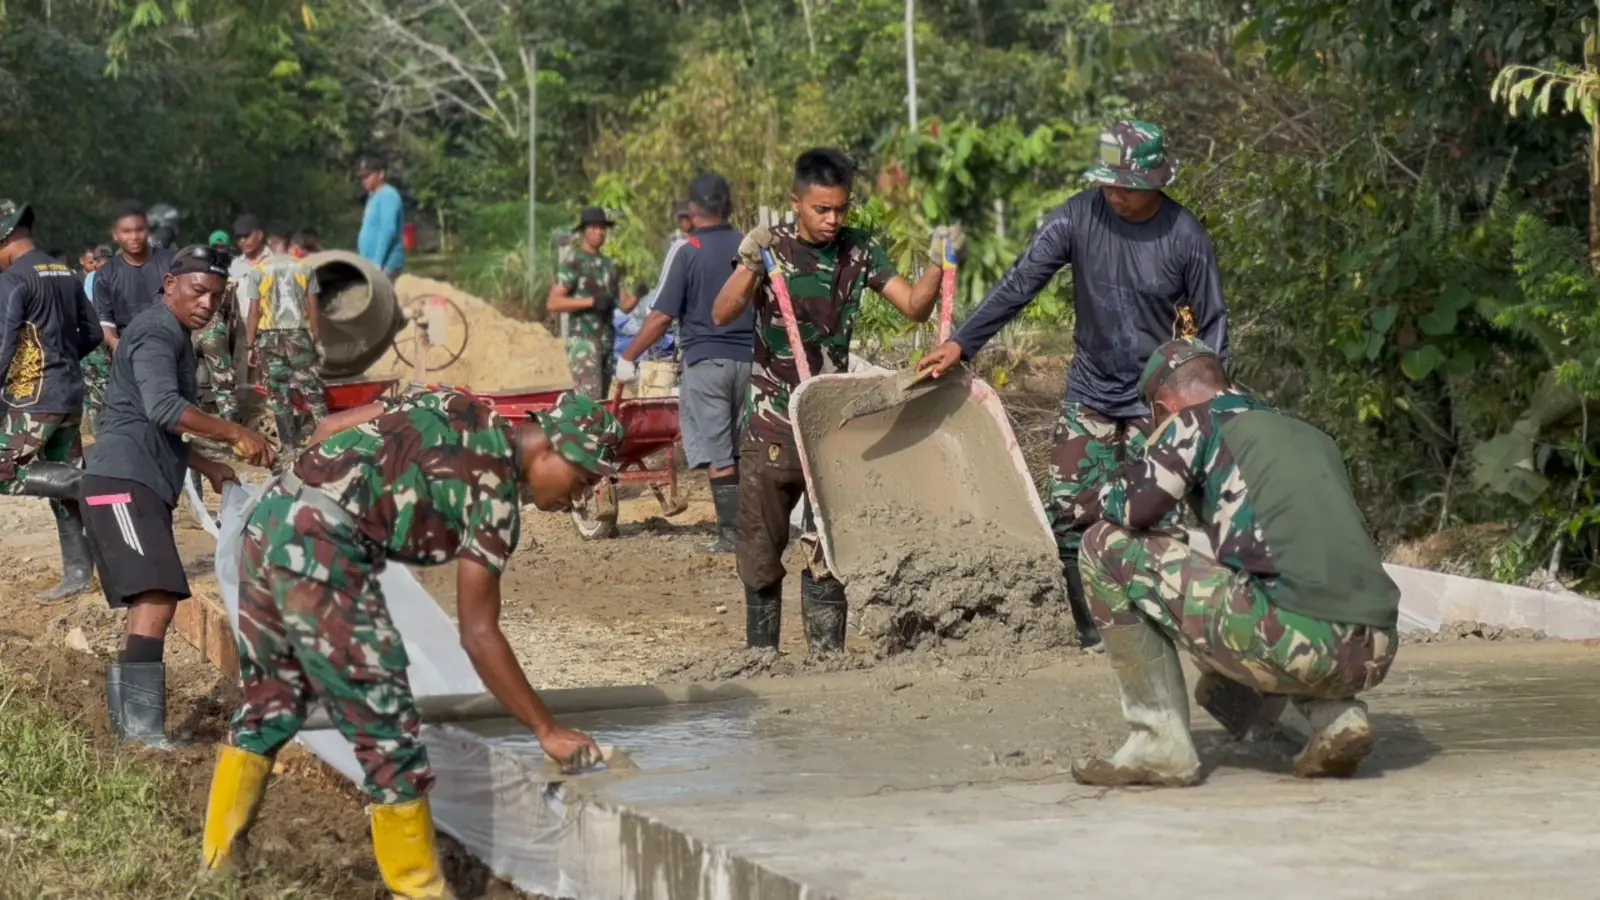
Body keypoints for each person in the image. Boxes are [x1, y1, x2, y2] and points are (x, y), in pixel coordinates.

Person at [200, 390, 622, 896]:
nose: (574, 500)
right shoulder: (494, 498)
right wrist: (545, 729)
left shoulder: (456, 401)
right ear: (551, 449)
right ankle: (420, 891)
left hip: (272, 518)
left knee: (274, 702)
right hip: (318, 551)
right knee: (389, 736)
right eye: (580, 482)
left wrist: (340, 492)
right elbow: (479, 634)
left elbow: (329, 428)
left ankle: (218, 864)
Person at [919, 119, 1229, 651]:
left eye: (1124, 187)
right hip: (1091, 389)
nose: (1112, 195)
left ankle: (1161, 632)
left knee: (1157, 517)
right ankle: (1091, 633)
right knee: (1070, 510)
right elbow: (1022, 282)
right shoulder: (1079, 216)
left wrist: (1209, 412)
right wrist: (964, 342)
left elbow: (1214, 327)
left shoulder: (1184, 236)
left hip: (1157, 403)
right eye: (1105, 183)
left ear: (1154, 183)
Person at [1071, 340, 1399, 787]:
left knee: (1103, 544)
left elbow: (1133, 512)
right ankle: (1335, 715)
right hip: (1375, 649)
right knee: (1238, 661)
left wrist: (1097, 493)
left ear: (1165, 408)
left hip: (1295, 638)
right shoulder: (1308, 434)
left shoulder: (1193, 422)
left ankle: (1157, 743)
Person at [711, 148, 955, 654]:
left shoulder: (858, 250)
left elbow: (913, 307)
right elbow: (722, 313)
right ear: (795, 203)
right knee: (760, 551)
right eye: (821, 210)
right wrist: (751, 262)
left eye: (841, 209)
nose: (832, 220)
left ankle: (827, 661)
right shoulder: (771, 246)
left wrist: (937, 262)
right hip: (773, 424)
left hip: (830, 426)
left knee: (829, 546)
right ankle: (764, 661)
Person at [83, 245, 275, 748]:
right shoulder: (155, 331)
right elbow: (165, 408)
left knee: (151, 599)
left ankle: (134, 733)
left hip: (136, 478)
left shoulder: (173, 335)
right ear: (170, 284)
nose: (208, 305)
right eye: (198, 292)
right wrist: (235, 433)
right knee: (156, 594)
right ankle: (143, 734)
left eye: (216, 296)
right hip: (121, 482)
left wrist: (208, 465)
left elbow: (151, 422)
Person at [618, 173, 751, 554]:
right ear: (728, 206)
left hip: (706, 362)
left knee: (720, 453)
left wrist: (628, 356)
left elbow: (660, 317)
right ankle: (749, 529)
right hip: (749, 362)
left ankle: (730, 537)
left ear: (692, 210)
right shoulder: (749, 247)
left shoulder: (687, 250)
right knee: (743, 448)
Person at [0, 201, 104, 602]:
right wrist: (61, 362)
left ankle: (90, 483)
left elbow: (4, 346)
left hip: (32, 397)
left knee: (8, 472)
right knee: (59, 478)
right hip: (69, 392)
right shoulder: (63, 271)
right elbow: (92, 332)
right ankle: (79, 574)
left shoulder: (14, 280)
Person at [241, 223, 325, 465]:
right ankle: (326, 441)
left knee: (279, 395)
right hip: (298, 335)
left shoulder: (258, 271)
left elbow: (254, 312)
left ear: (269, 242)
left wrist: (250, 345)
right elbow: (313, 307)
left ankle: (289, 448)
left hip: (269, 339)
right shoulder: (304, 269)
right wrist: (315, 336)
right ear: (291, 244)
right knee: (313, 392)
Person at [90, 204, 176, 428]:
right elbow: (106, 324)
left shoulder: (171, 262)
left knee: (171, 412)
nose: (134, 236)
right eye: (127, 232)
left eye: (139, 230)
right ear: (115, 235)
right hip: (128, 347)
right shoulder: (105, 275)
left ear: (148, 230)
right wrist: (120, 347)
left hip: (170, 343)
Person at [548, 207, 637, 399]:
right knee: (590, 399)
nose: (600, 232)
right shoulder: (575, 261)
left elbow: (625, 304)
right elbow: (554, 303)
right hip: (583, 340)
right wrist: (591, 302)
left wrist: (639, 293)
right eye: (595, 227)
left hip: (606, 340)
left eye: (603, 228)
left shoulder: (610, 266)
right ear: (584, 231)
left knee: (602, 400)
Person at [357, 156, 406, 280]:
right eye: (362, 177)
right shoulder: (373, 197)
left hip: (386, 263)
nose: (364, 180)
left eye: (367, 176)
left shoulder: (388, 195)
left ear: (381, 174)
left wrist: (378, 262)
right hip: (371, 263)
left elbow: (388, 230)